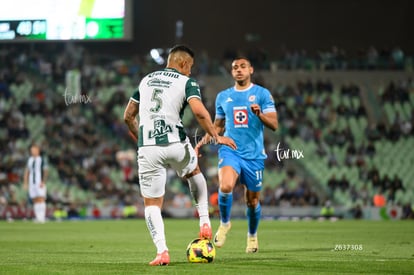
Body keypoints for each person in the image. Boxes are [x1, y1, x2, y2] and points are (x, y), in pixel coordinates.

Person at [123, 45, 236, 266]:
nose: (191, 71)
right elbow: (199, 111)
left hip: (148, 147)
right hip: (176, 142)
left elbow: (128, 116)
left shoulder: (146, 80)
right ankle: (204, 219)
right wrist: (215, 135)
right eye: (191, 67)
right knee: (194, 171)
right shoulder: (187, 82)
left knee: (152, 204)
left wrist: (142, 141)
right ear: (184, 63)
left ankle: (162, 252)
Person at [197, 57, 278, 253]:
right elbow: (217, 127)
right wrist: (200, 143)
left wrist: (260, 115)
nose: (239, 70)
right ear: (232, 72)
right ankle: (225, 223)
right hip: (230, 149)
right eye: (235, 67)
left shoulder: (262, 94)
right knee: (225, 186)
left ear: (251, 69)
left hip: (254, 156)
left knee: (252, 201)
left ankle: (252, 236)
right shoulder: (223, 97)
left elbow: (274, 125)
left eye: (243, 67)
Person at [23, 143, 49, 223]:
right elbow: (27, 171)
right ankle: (38, 217)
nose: (33, 151)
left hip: (39, 182)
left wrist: (43, 181)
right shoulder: (30, 159)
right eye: (32, 150)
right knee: (35, 199)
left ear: (38, 151)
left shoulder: (42, 159)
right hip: (32, 182)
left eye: (34, 150)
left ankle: (42, 217)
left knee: (41, 198)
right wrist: (25, 182)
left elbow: (46, 171)